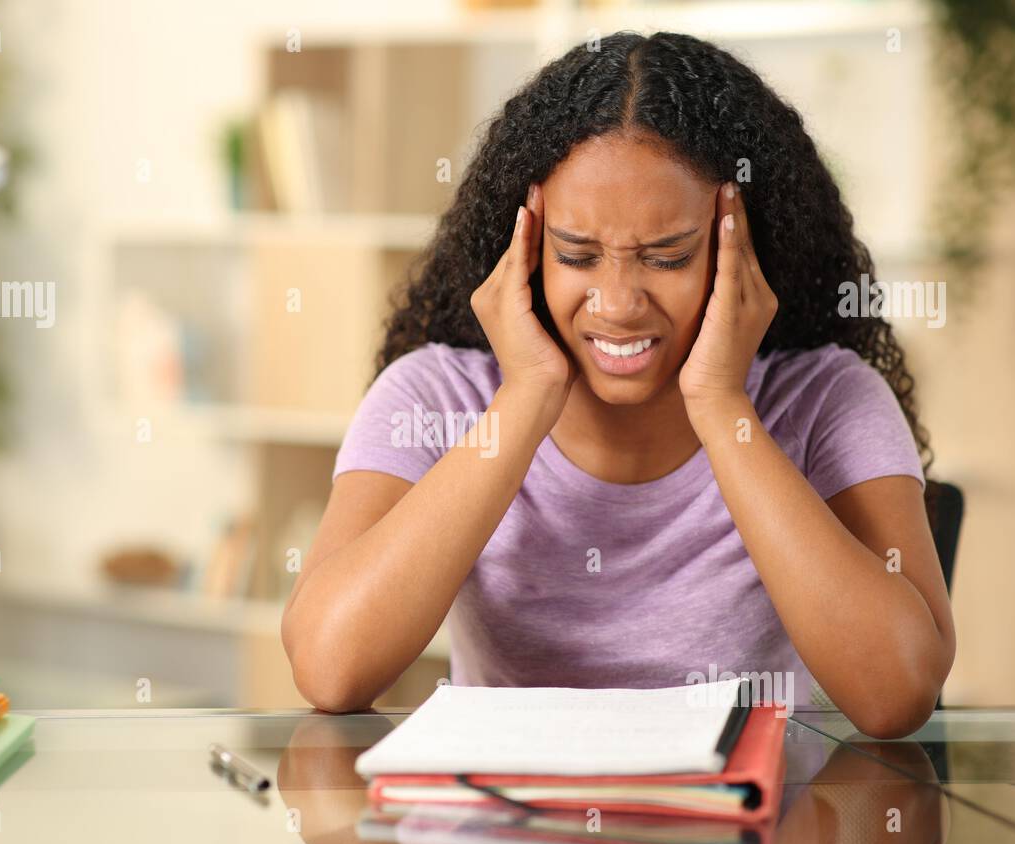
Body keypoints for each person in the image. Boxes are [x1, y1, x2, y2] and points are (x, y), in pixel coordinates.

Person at [281, 31, 955, 739]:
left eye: (667, 257)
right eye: (577, 255)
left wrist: (722, 405)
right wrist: (526, 397)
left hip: (752, 837)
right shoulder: (435, 398)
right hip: (509, 836)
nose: (618, 303)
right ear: (526, 249)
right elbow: (331, 667)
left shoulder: (827, 401)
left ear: (744, 248)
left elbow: (896, 693)